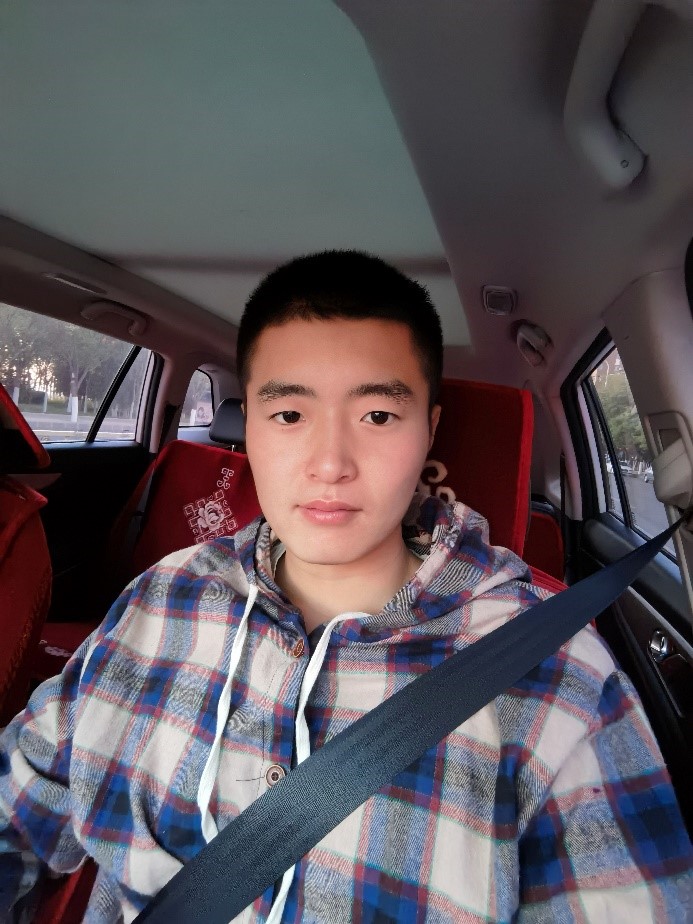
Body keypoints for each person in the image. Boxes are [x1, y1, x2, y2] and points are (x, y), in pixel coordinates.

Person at [1, 251, 691, 923]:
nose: (329, 464)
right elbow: (18, 809)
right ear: (249, 428)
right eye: (289, 415)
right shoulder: (161, 599)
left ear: (429, 430)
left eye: (378, 416)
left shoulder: (556, 673)